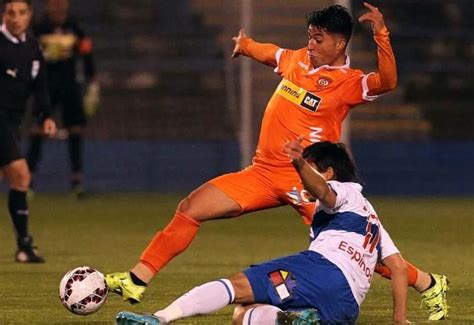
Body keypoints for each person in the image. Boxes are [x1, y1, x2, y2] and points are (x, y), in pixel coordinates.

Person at [105, 3, 448, 320]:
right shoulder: (297, 60)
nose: (310, 45)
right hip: (261, 173)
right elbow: (273, 54)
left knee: (357, 244)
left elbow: (387, 81)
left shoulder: (347, 83)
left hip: (307, 181)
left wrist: (381, 34)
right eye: (309, 37)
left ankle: (428, 284)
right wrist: (247, 45)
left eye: (318, 39)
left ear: (340, 43)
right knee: (191, 207)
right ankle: (138, 278)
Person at [114, 140, 410, 324]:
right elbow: (397, 268)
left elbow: (322, 190)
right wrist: (399, 320)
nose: (300, 178)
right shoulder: (371, 216)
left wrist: (297, 160)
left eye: (307, 169)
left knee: (237, 286)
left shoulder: (340, 192)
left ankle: (158, 319)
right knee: (244, 314)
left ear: (329, 172)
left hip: (320, 272)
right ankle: (294, 320)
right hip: (344, 307)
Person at [0, 0, 56, 262]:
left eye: (22, 13)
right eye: (11, 13)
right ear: (4, 15)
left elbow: (40, 85)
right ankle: (24, 245)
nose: (16, 18)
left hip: (13, 121)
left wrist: (45, 115)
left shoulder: (32, 46)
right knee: (21, 175)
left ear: (30, 16)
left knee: (15, 179)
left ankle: (23, 246)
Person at [26, 0, 98, 198]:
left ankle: (77, 183)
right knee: (38, 131)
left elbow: (87, 53)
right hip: (46, 86)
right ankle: (27, 181)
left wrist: (92, 82)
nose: (58, 7)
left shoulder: (75, 27)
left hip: (70, 85)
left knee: (75, 131)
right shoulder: (39, 28)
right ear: (48, 6)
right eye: (54, 3)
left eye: (61, 3)